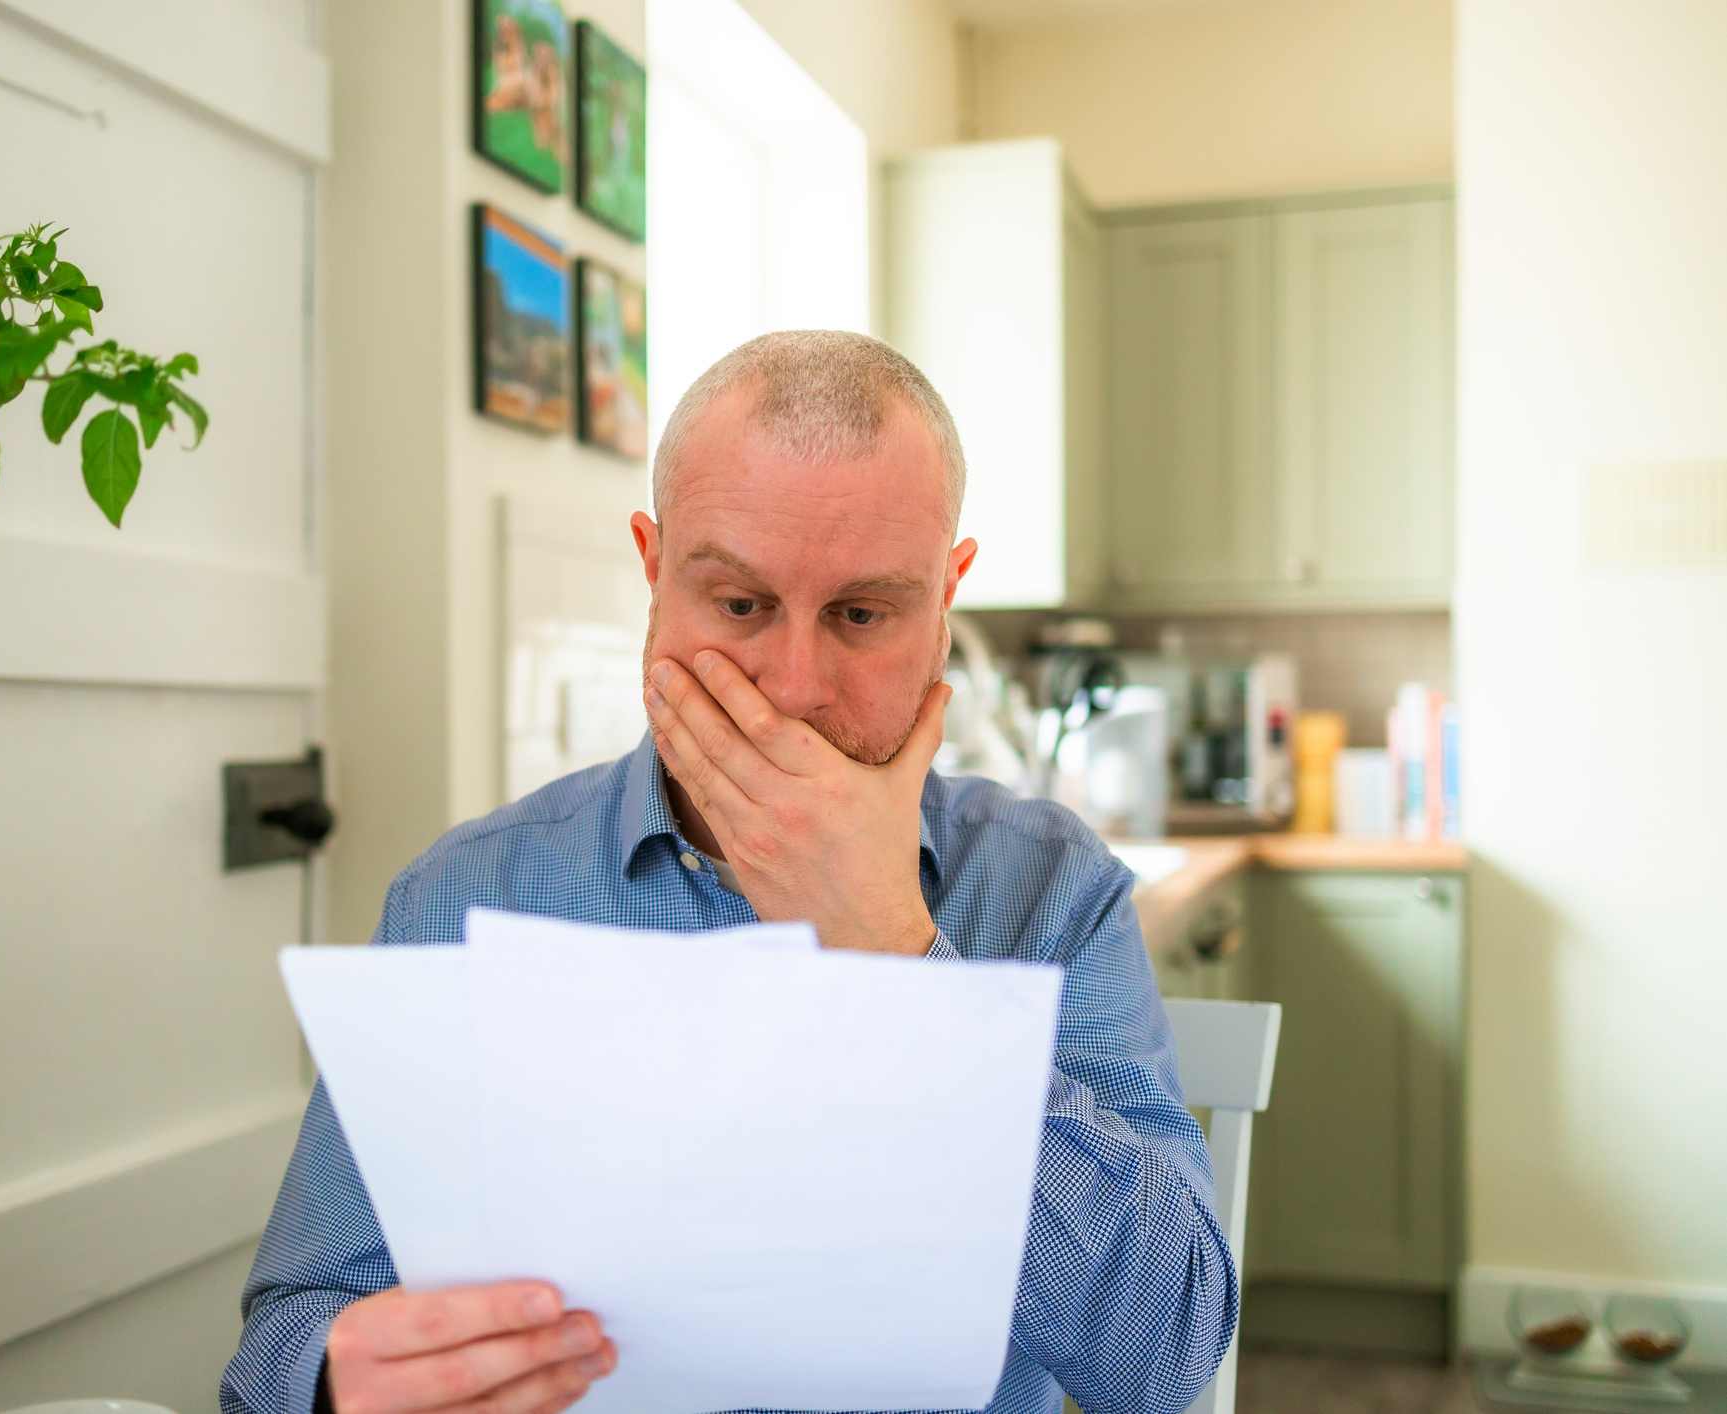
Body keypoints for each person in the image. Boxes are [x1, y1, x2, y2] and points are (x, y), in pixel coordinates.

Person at [222, 331, 1235, 1414]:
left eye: (861, 613)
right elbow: (283, 1344)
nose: (793, 686)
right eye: (741, 606)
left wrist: (892, 949)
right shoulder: (466, 897)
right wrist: (339, 1385)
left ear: (948, 597)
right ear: (654, 573)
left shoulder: (1049, 891)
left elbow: (1164, 1358)